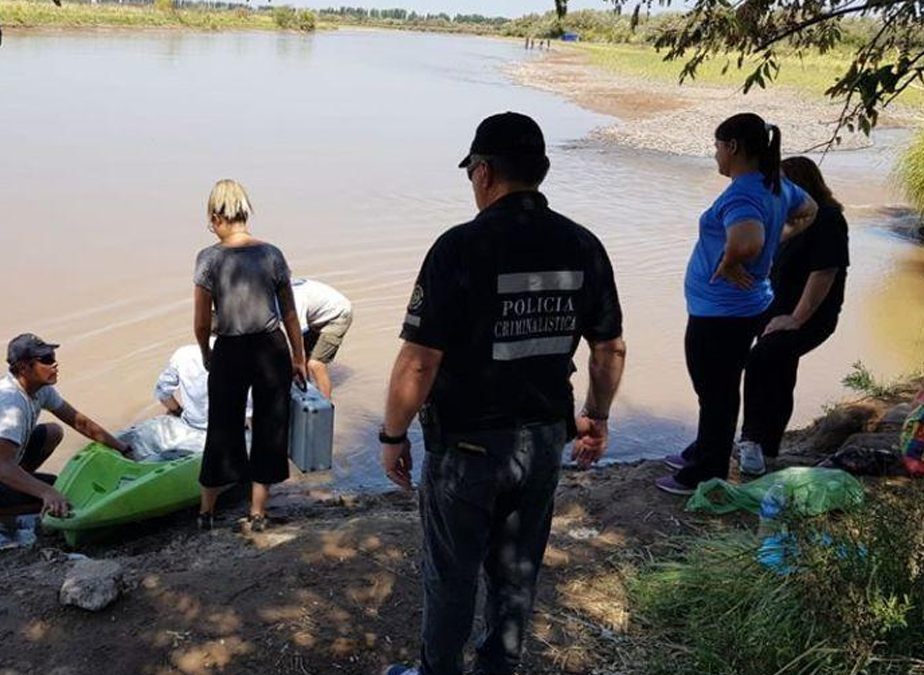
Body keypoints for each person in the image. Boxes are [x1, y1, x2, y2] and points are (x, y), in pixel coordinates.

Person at [379, 112, 627, 675]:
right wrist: (597, 415)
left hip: (464, 448)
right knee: (516, 572)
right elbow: (609, 349)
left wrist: (392, 434)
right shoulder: (583, 245)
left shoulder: (458, 248)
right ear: (539, 172)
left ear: (484, 172)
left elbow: (419, 360)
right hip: (541, 442)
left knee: (451, 574)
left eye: (471, 173)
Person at [658, 113, 818, 495]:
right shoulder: (774, 185)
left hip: (721, 313)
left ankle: (707, 471)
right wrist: (782, 235)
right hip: (746, 306)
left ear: (732, 147)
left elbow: (748, 241)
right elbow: (809, 208)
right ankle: (706, 446)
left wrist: (731, 259)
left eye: (716, 147)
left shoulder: (743, 192)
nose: (715, 155)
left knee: (715, 389)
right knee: (723, 385)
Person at [193, 179, 308, 532]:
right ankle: (258, 512)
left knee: (222, 428)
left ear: (216, 216)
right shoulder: (271, 253)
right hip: (270, 348)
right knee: (270, 426)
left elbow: (200, 321)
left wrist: (206, 351)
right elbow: (290, 313)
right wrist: (298, 358)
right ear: (245, 212)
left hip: (230, 348)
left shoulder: (209, 258)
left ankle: (206, 513)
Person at [0, 333, 132, 541]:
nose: (55, 364)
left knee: (52, 432)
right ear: (24, 368)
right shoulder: (10, 405)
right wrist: (46, 492)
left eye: (53, 356)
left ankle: (14, 489)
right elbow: (1, 467)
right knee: (63, 494)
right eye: (46, 360)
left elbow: (78, 421)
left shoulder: (39, 388)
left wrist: (122, 448)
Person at [736, 156, 849, 473]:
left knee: (761, 360)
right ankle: (767, 449)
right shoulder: (795, 221)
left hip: (809, 316)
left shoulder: (828, 219)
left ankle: (752, 441)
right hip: (776, 312)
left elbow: (824, 273)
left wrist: (796, 319)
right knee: (780, 372)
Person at [291, 278, 353, 399]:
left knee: (315, 364)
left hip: (338, 316)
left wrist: (297, 361)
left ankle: (325, 407)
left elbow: (298, 334)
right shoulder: (277, 291)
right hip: (317, 317)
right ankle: (305, 393)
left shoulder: (294, 299)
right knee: (302, 359)